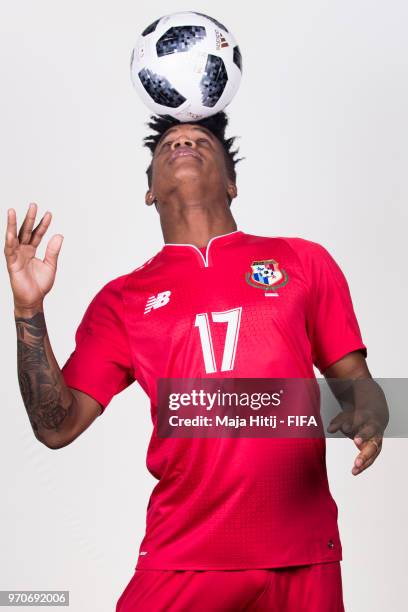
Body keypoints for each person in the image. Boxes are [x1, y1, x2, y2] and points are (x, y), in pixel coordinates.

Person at [4, 112, 386, 611]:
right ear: (149, 192)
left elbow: (358, 381)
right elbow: (56, 427)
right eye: (168, 143)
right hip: (185, 554)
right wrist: (28, 309)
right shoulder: (122, 300)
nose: (182, 139)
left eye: (200, 138)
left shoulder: (303, 261)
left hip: (304, 552)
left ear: (232, 183)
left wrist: (371, 415)